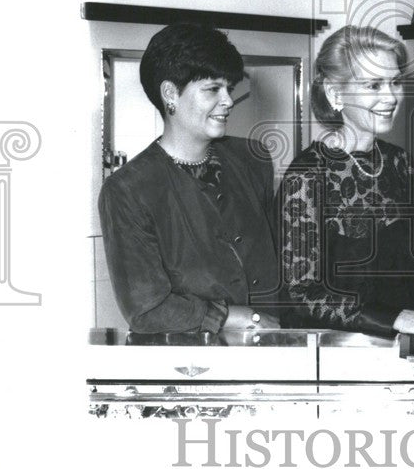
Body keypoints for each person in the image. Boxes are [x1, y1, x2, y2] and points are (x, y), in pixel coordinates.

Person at [279, 25, 414, 340]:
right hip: (342, 351)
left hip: (412, 341)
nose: (391, 97)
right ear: (335, 93)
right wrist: (395, 318)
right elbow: (302, 294)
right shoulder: (307, 175)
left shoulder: (400, 162)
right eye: (373, 85)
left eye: (395, 82)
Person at [98, 23, 282, 339]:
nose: (228, 100)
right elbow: (147, 311)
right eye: (213, 89)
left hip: (271, 355)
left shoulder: (253, 158)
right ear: (170, 94)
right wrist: (236, 317)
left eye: (229, 88)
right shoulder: (127, 190)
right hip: (188, 368)